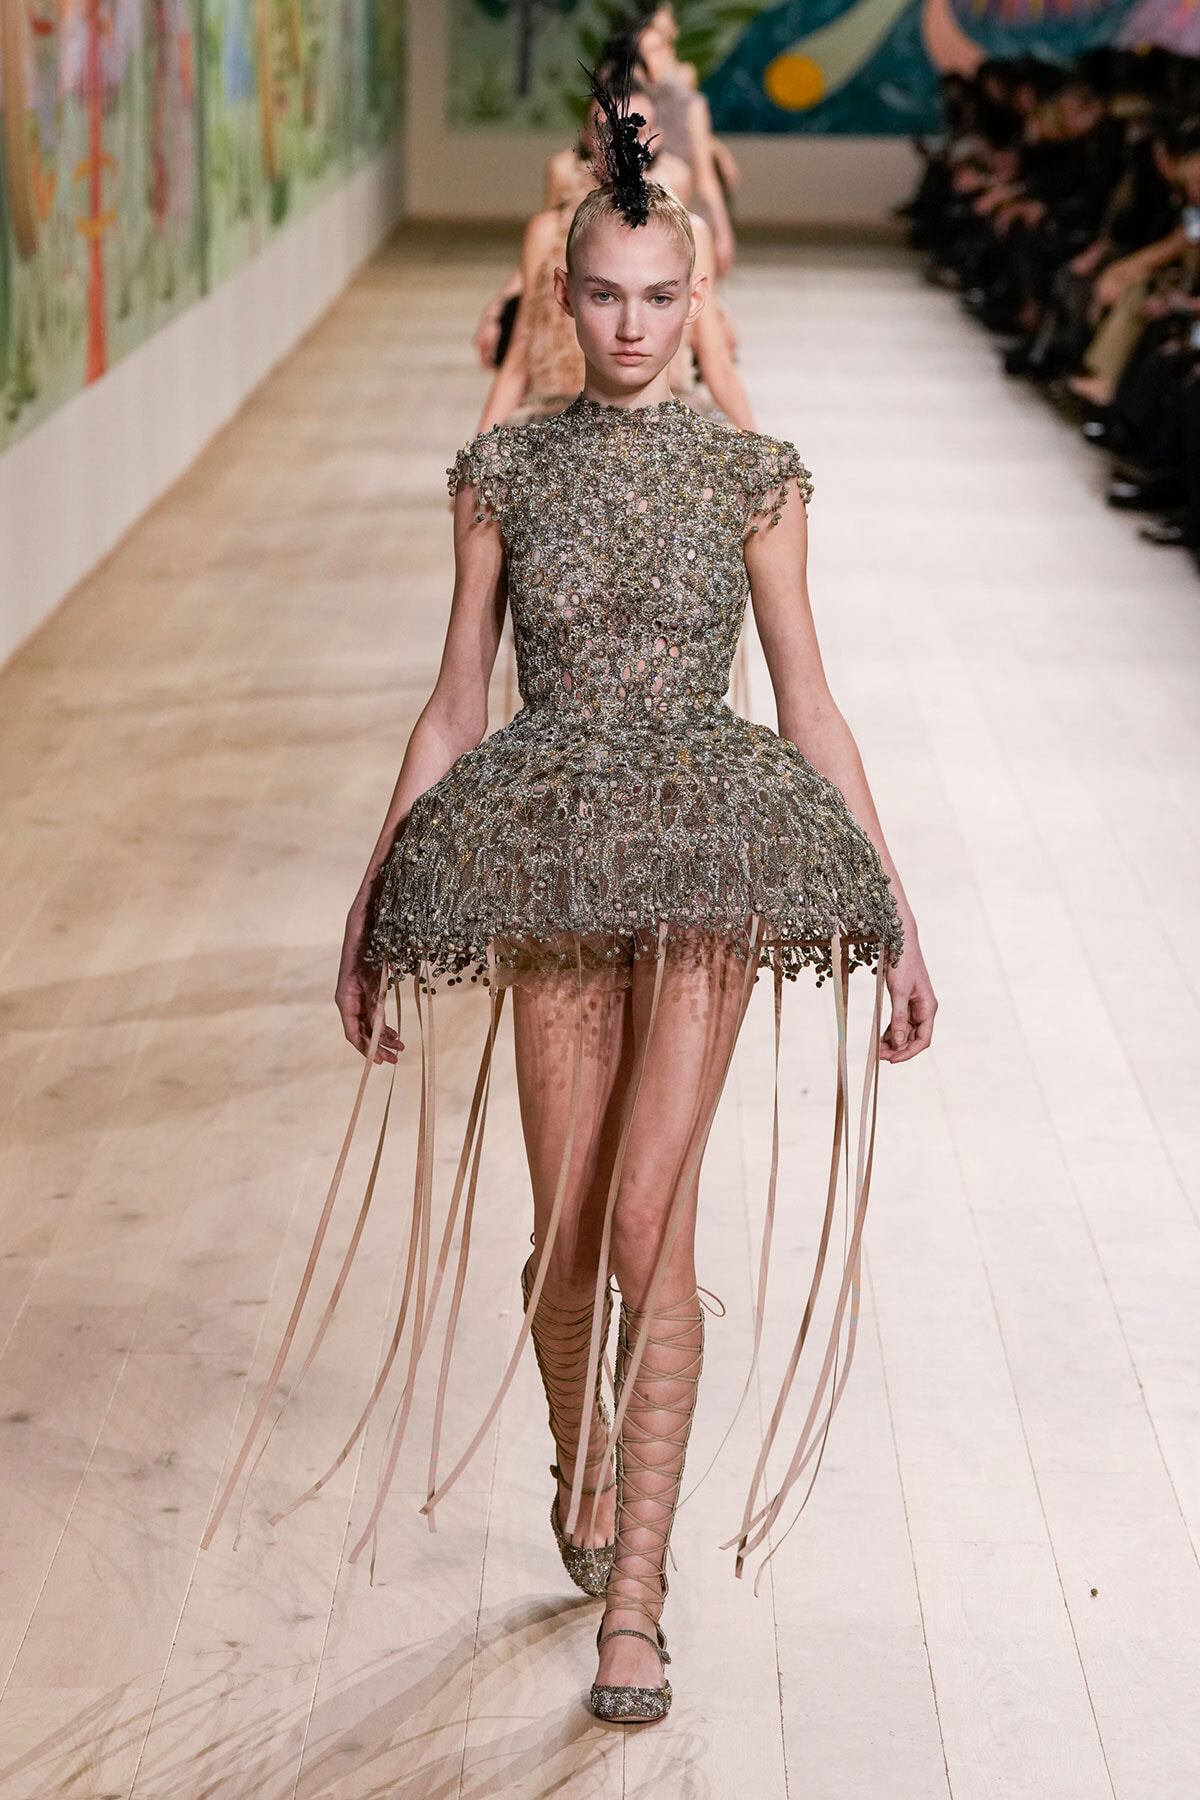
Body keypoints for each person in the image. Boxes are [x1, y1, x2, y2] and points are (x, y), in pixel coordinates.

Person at [202, 81, 935, 1728]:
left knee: (645, 1223)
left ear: (697, 302)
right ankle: (579, 1463)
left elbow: (810, 704)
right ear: (564, 295)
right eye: (602, 296)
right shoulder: (502, 474)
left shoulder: (758, 477)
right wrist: (373, 892)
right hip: (543, 847)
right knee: (557, 1247)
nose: (629, 325)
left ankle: (638, 1602)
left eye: (659, 298)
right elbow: (455, 701)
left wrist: (897, 909)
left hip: (713, 860)